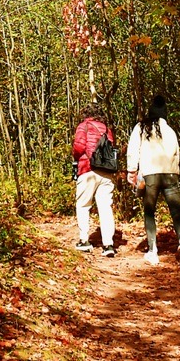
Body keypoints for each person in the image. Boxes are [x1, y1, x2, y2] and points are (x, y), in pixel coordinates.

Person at [126, 92, 180, 268]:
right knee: (176, 211)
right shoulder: (170, 131)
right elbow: (177, 154)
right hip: (170, 175)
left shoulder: (141, 127)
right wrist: (174, 172)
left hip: (150, 174)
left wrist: (132, 171)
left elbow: (133, 150)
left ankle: (153, 250)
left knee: (149, 211)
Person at [71, 106, 118, 257]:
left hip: (87, 169)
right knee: (105, 207)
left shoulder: (83, 126)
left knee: (83, 204)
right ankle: (108, 245)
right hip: (106, 172)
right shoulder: (106, 130)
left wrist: (76, 158)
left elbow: (78, 147)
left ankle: (84, 241)